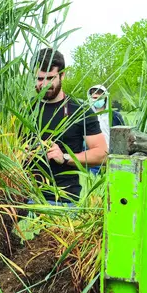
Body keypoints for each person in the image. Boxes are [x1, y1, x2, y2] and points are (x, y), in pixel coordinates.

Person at [34, 48, 108, 203]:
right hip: (23, 196)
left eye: (50, 78)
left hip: (61, 199)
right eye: (40, 79)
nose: (44, 84)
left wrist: (65, 157)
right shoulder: (25, 110)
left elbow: (102, 154)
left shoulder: (79, 111)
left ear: (62, 75)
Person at [86, 84, 125, 175]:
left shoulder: (115, 116)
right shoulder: (87, 116)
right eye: (94, 98)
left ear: (105, 97)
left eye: (99, 97)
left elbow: (122, 135)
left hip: (112, 154)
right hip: (94, 156)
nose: (96, 100)